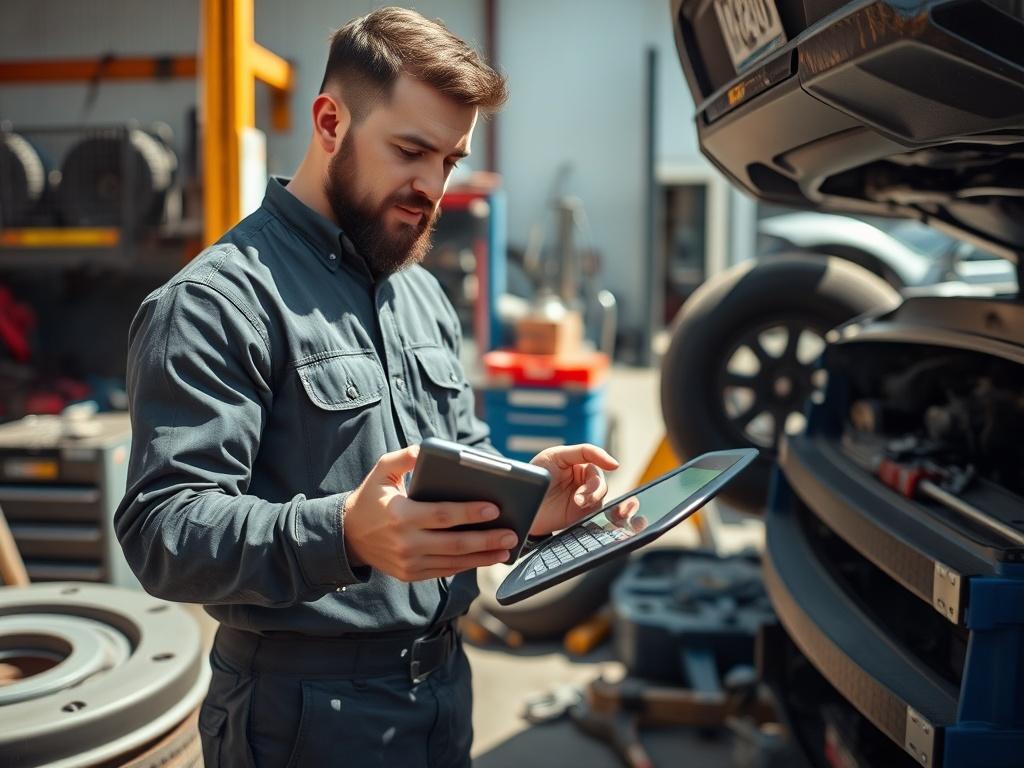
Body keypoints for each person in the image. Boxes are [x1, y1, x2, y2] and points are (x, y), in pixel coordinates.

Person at [115, 7, 619, 767]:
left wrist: (530, 501)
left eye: (449, 161)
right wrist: (343, 533)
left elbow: (459, 454)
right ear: (328, 122)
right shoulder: (217, 302)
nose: (432, 187)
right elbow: (164, 531)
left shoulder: (417, 292)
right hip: (302, 717)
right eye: (411, 151)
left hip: (442, 695)